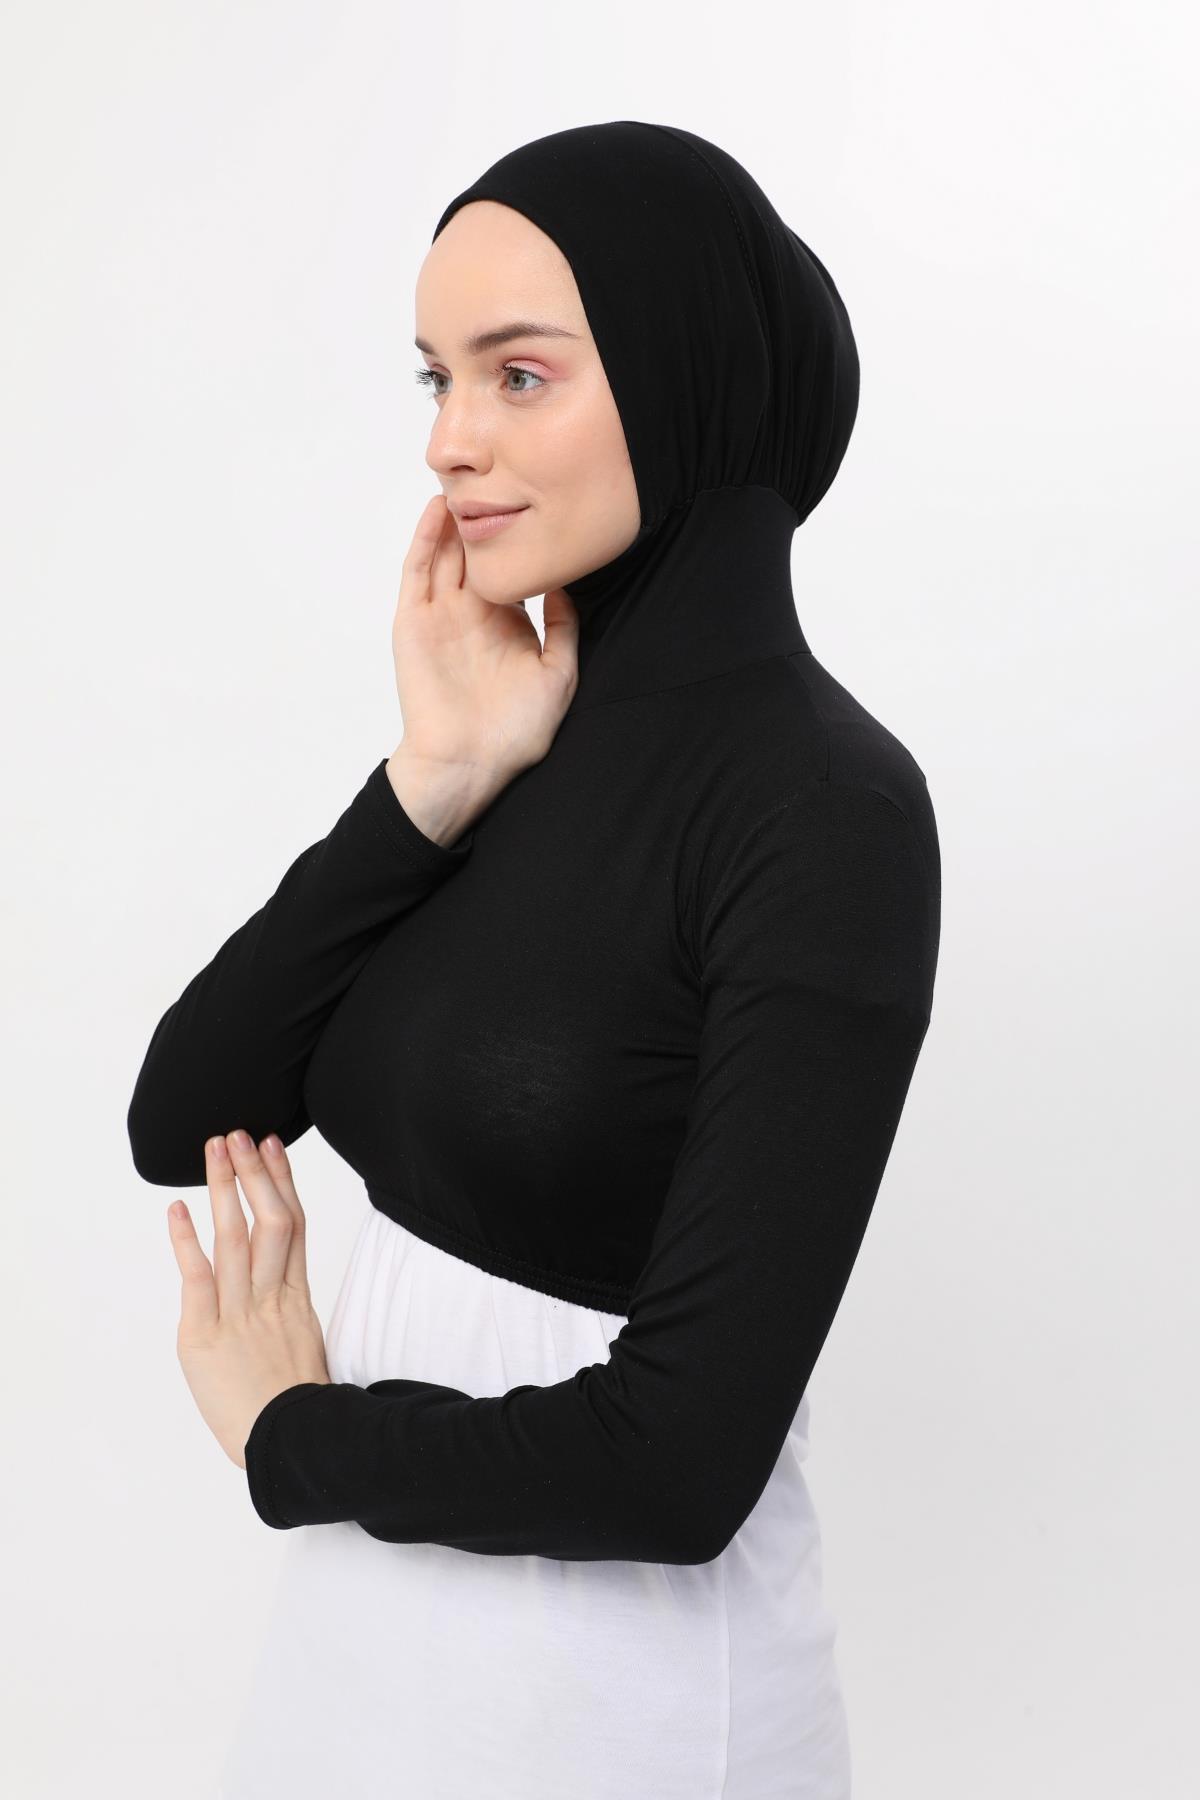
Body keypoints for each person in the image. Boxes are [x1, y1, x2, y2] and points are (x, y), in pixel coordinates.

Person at [128, 120, 941, 1800]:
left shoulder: (824, 811)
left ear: (680, 375)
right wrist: (431, 778)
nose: (449, 440)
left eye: (518, 376)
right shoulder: (507, 743)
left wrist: (295, 1436)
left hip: (613, 1708)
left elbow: (680, 1462)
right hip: (356, 1652)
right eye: (435, 379)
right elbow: (185, 1112)